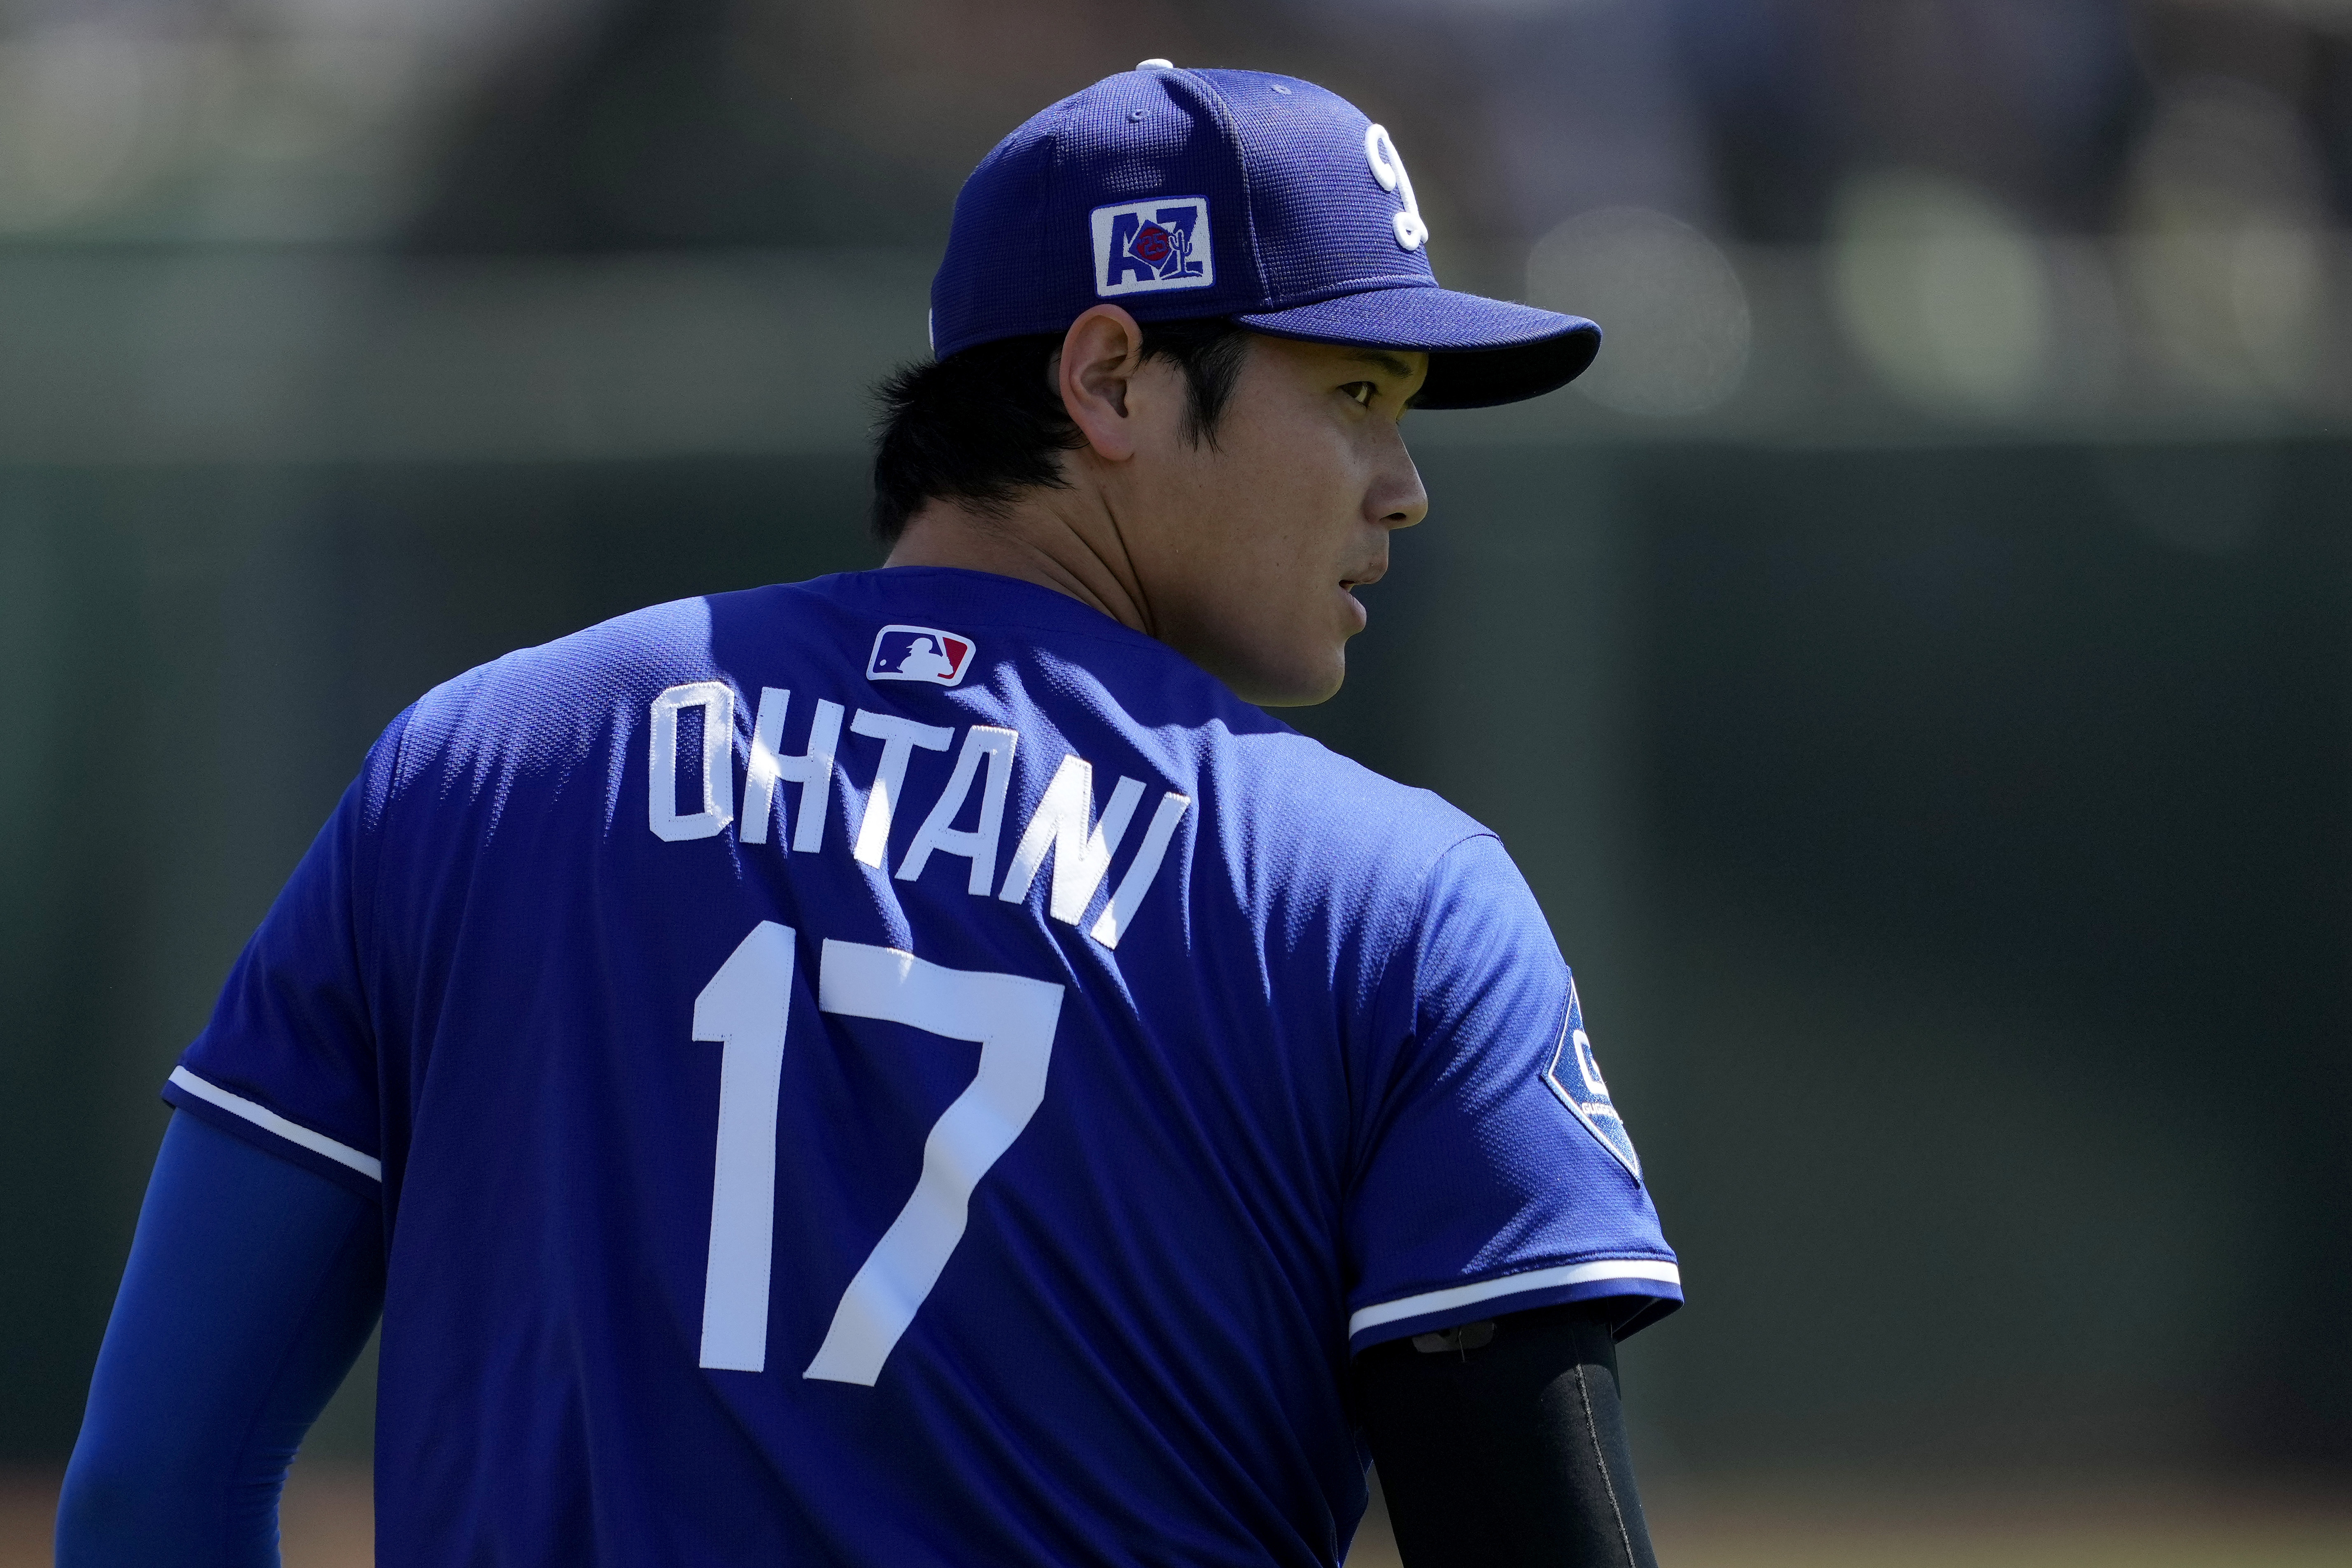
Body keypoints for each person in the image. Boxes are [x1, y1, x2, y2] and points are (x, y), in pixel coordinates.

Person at [56, 61, 1680, 1568]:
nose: (1403, 483)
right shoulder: (1385, 898)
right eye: (1360, 393)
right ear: (1110, 376)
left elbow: (151, 1485)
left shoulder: (480, 762)